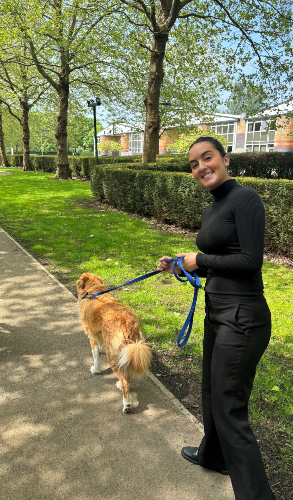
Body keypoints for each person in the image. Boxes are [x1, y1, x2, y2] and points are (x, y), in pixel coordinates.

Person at [157, 136, 276, 500]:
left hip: (242, 316)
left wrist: (199, 260)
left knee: (229, 408)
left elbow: (250, 262)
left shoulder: (246, 199)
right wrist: (181, 264)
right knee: (211, 394)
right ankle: (214, 456)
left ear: (225, 158)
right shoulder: (213, 208)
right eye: (193, 164)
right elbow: (221, 262)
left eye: (206, 158)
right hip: (218, 312)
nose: (200, 167)